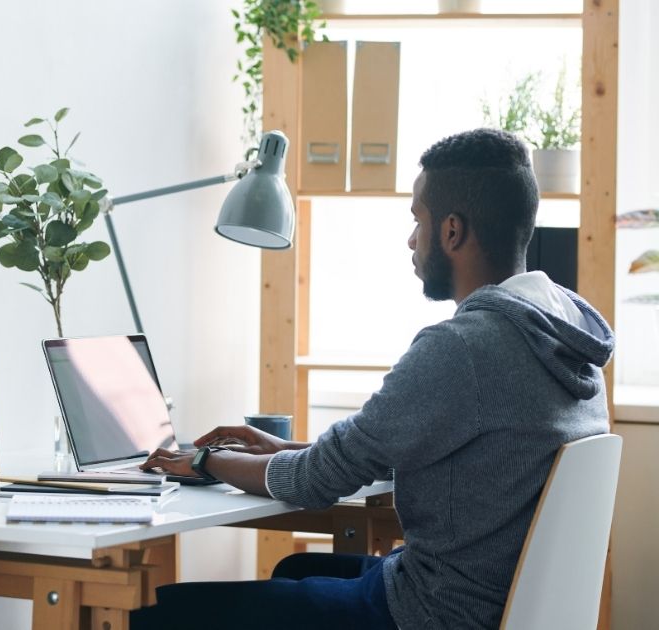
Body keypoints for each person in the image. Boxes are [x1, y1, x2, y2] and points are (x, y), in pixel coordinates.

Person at [133, 128, 614, 630]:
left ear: (451, 231)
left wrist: (207, 458)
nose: (411, 239)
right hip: (488, 600)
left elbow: (318, 480)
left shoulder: (465, 346)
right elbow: (397, 454)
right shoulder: (564, 336)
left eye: (417, 220)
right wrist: (278, 450)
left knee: (159, 615)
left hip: (434, 612)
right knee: (297, 567)